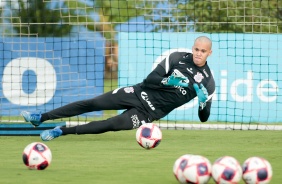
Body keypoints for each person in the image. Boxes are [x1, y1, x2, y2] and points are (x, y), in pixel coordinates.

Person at [21, 36, 215, 141]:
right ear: (193, 47)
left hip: (148, 113)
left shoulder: (208, 82)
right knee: (94, 103)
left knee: (110, 124)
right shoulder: (177, 57)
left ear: (209, 53)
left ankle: (61, 131)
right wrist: (167, 82)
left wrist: (202, 102)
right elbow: (149, 80)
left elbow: (203, 118)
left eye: (203, 51)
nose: (198, 54)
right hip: (138, 92)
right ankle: (41, 117)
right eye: (196, 49)